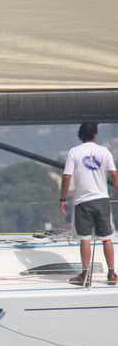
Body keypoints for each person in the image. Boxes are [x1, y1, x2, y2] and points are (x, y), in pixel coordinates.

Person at [61, 122, 117, 286]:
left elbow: (66, 176)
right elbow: (114, 175)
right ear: (95, 134)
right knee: (106, 238)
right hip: (102, 200)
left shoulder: (74, 152)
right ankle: (112, 273)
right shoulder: (104, 151)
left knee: (84, 239)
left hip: (82, 202)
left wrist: (63, 198)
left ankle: (85, 275)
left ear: (80, 135)